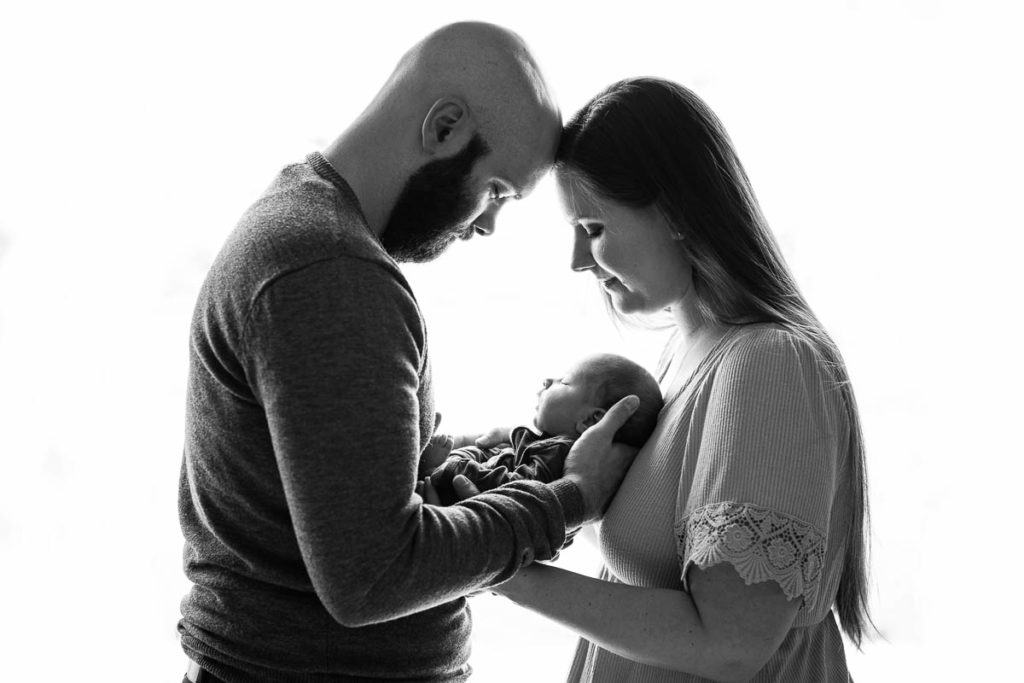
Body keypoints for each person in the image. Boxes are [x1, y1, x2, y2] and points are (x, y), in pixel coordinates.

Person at [176, 23, 640, 683]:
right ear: (444, 127)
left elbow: (344, 500)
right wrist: (573, 496)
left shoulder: (301, 226)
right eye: (499, 191)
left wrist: (491, 454)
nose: (487, 224)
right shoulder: (331, 272)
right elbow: (374, 575)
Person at [478, 78, 873, 681]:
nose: (580, 263)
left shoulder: (768, 364)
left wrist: (497, 565)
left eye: (594, 229)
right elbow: (655, 567)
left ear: (674, 213)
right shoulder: (677, 358)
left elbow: (729, 644)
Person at [423, 353, 663, 506]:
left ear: (591, 420)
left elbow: (514, 488)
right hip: (460, 497)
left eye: (564, 381)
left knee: (463, 463)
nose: (548, 380)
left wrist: (456, 464)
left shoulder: (560, 454)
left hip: (465, 501)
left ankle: (433, 469)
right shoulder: (547, 443)